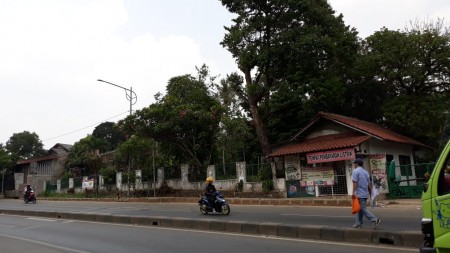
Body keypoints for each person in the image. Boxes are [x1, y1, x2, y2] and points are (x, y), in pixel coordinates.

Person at [352, 158, 381, 229]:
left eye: (355, 163)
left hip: (359, 193)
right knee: (359, 209)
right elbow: (369, 184)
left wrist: (353, 192)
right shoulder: (366, 172)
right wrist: (371, 193)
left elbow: (355, 182)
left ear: (357, 164)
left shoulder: (355, 171)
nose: (354, 165)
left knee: (362, 208)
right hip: (365, 193)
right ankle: (358, 223)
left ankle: (375, 219)